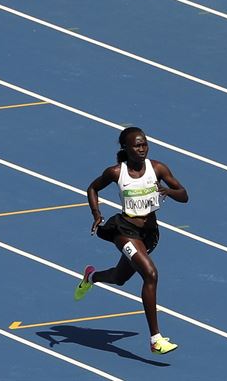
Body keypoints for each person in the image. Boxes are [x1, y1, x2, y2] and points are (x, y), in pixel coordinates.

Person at [74, 127, 188, 355]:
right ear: (126, 148)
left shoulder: (157, 168)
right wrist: (97, 214)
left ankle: (91, 277)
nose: (142, 148)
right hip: (124, 230)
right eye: (137, 145)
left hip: (149, 234)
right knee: (150, 274)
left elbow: (184, 195)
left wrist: (168, 191)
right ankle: (156, 340)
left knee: (119, 278)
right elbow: (93, 188)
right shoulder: (116, 172)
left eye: (144, 143)